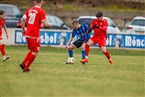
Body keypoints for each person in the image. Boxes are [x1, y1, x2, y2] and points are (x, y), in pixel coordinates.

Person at [19, 0, 51, 72]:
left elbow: (22, 20)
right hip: (34, 34)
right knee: (36, 50)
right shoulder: (41, 11)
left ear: (34, 2)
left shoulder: (29, 10)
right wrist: (49, 24)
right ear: (42, 2)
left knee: (33, 50)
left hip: (28, 33)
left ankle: (23, 63)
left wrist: (23, 30)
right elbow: (44, 23)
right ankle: (26, 68)